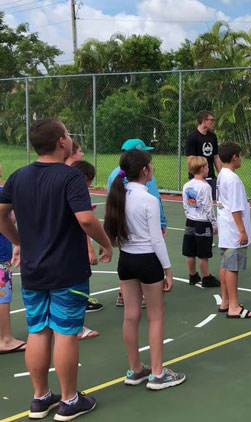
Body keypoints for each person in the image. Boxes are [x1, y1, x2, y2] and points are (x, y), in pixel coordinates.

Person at [0, 118, 113, 420]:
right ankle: (69, 400)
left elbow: (1, 214)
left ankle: (40, 398)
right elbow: (86, 219)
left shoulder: (18, 176)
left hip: (34, 270)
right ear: (62, 141)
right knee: (65, 332)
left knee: (38, 331)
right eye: (67, 133)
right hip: (67, 269)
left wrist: (19, 241)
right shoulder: (70, 177)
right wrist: (106, 243)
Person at [104, 149, 186, 391]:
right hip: (147, 260)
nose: (153, 169)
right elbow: (156, 240)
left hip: (126, 260)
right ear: (144, 170)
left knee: (130, 316)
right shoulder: (148, 199)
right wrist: (168, 269)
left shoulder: (119, 196)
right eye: (151, 165)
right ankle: (158, 373)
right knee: (156, 316)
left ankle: (136, 369)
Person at [107, 138, 166, 307]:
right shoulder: (145, 175)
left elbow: (112, 199)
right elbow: (154, 198)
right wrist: (161, 222)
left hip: (122, 226)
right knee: (146, 256)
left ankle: (123, 293)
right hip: (144, 231)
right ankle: (144, 293)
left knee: (127, 254)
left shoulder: (115, 175)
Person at [216, 142, 251, 318]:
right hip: (233, 229)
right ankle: (233, 306)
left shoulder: (222, 174)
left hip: (226, 226)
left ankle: (225, 301)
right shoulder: (233, 179)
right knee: (232, 267)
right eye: (240, 155)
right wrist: (242, 230)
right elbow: (235, 207)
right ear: (234, 157)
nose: (241, 159)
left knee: (226, 264)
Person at [70, 160, 102, 341]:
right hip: (72, 251)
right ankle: (76, 327)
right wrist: (96, 246)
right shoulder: (77, 193)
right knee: (76, 288)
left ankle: (61, 324)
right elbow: (85, 222)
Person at [182, 156, 220, 288]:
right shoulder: (205, 187)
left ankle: (192, 275)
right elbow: (208, 207)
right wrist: (214, 224)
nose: (209, 168)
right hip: (203, 222)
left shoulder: (187, 185)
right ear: (202, 168)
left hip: (190, 221)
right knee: (203, 253)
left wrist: (189, 214)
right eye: (207, 166)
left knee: (190, 251)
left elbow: (185, 204)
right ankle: (206, 277)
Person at [0, 163, 26, 355]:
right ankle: (5, 339)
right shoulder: (2, 192)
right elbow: (7, 219)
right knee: (3, 296)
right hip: (1, 253)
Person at [185, 110, 221, 200]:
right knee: (197, 204)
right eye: (211, 120)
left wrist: (221, 175)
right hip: (197, 179)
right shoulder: (192, 137)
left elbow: (216, 157)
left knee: (213, 203)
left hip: (211, 178)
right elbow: (190, 160)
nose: (213, 122)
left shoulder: (213, 137)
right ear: (204, 121)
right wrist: (199, 177)